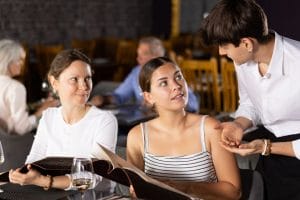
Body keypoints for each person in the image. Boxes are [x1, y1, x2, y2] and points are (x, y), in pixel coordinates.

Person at [200, 0, 300, 199]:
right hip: (270, 151)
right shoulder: (244, 59)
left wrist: (265, 147)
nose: (221, 52)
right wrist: (239, 124)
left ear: (247, 43)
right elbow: (249, 103)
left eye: (224, 45)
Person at [126, 57, 240, 200]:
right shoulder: (136, 136)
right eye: (163, 83)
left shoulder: (210, 128)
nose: (176, 86)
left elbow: (233, 191)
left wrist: (184, 187)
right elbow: (135, 194)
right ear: (149, 97)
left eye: (178, 77)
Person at [9, 49, 118, 191]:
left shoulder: (105, 120)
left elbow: (93, 178)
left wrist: (45, 181)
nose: (84, 86)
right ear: (54, 82)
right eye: (74, 79)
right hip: (54, 195)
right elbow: (35, 160)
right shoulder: (49, 116)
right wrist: (25, 174)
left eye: (88, 78)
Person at [90, 36, 199, 113]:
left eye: (144, 55)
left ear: (156, 56)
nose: (138, 59)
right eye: (138, 55)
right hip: (144, 121)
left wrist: (162, 103)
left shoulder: (170, 73)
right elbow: (120, 96)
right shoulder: (136, 72)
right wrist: (104, 98)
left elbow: (194, 105)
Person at [0, 39, 58, 135]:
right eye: (20, 60)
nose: (22, 64)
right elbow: (21, 128)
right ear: (9, 62)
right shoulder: (15, 87)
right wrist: (41, 111)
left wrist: (37, 105)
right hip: (13, 143)